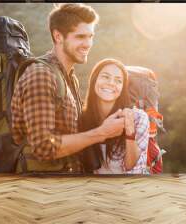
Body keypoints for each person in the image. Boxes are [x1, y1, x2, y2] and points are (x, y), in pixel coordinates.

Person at [11, 3, 125, 173]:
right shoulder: (41, 75)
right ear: (58, 36)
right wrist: (102, 133)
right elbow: (43, 147)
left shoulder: (69, 77)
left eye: (90, 36)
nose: (88, 44)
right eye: (80, 37)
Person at [80, 59, 150, 174]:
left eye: (118, 81)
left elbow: (132, 169)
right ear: (94, 80)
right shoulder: (82, 118)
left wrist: (129, 131)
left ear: (123, 87)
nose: (111, 83)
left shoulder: (139, 118)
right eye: (105, 77)